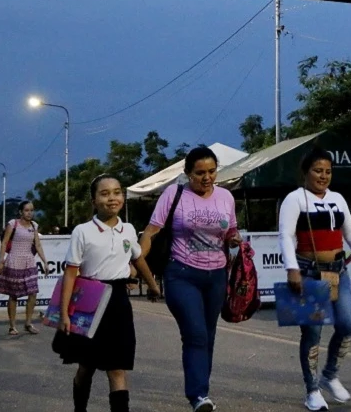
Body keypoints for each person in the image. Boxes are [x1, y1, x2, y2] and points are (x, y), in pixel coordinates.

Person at [140, 147, 242, 412]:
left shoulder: (226, 197)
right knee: (195, 334)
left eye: (211, 172)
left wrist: (233, 237)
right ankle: (198, 395)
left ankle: (201, 391)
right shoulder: (174, 194)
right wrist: (137, 263)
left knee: (207, 335)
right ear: (187, 174)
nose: (206, 178)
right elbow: (152, 231)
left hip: (216, 276)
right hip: (181, 273)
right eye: (200, 173)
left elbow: (230, 228)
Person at [278, 147, 351, 411]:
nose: (323, 176)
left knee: (347, 324)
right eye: (317, 171)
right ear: (305, 172)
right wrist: (291, 268)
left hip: (337, 271)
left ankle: (330, 374)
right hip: (308, 272)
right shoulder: (295, 199)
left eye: (328, 171)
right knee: (313, 332)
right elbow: (285, 235)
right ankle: (312, 390)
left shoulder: (338, 199)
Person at [56, 174, 160, 412]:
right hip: (89, 301)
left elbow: (138, 257)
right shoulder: (82, 231)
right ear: (93, 201)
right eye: (104, 194)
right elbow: (71, 273)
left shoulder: (129, 229)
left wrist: (152, 284)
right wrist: (64, 314)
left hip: (118, 303)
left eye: (116, 192)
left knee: (117, 367)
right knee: (86, 366)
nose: (112, 198)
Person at [0, 200, 48, 335]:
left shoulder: (34, 226)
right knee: (13, 295)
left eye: (31, 210)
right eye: (27, 210)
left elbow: (38, 245)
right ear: (20, 212)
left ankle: (28, 323)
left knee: (33, 293)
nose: (30, 213)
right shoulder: (13, 224)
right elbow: (4, 243)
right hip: (14, 261)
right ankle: (12, 326)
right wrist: (1, 261)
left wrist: (45, 262)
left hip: (29, 261)